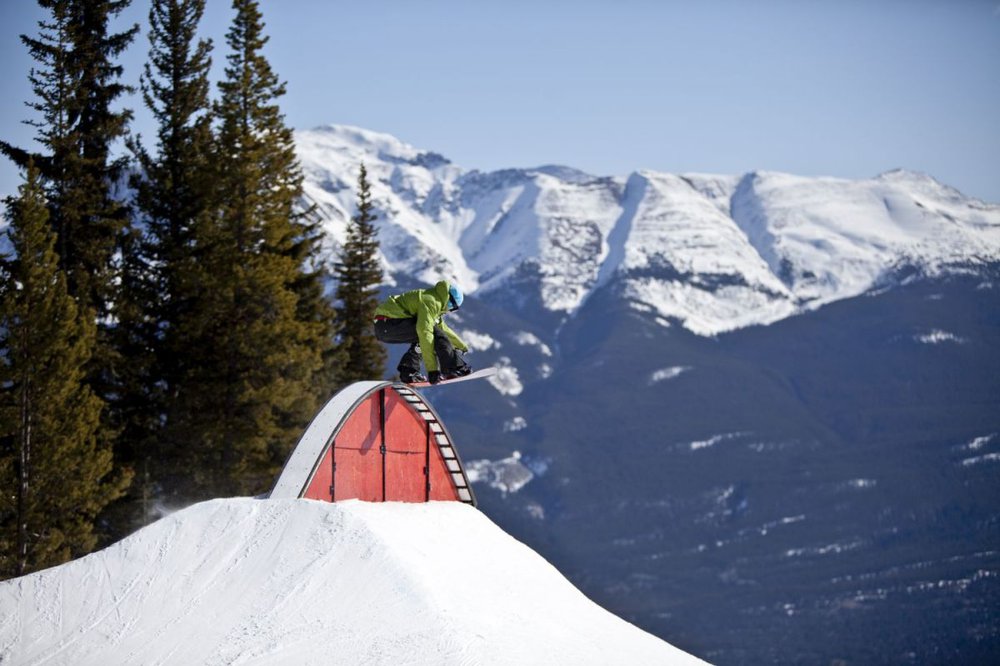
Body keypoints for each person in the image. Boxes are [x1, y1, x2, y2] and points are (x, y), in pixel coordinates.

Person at [373, 280, 472, 384]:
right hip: (390, 321)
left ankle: (409, 371)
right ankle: (453, 368)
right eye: (452, 308)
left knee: (425, 337)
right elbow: (427, 333)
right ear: (449, 300)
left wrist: (462, 346)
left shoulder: (435, 300)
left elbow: (443, 329)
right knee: (432, 334)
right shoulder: (432, 302)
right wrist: (433, 370)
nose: (449, 310)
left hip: (384, 326)